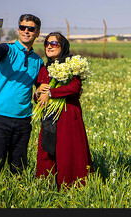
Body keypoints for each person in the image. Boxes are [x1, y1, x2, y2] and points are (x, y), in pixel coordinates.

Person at [0, 14, 44, 175]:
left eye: (31, 29)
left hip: (23, 120)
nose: (26, 31)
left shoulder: (38, 61)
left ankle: (16, 195)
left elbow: (40, 87)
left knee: (19, 166)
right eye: (23, 28)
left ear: (37, 33)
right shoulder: (7, 50)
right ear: (18, 30)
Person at [35, 32, 93, 189]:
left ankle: (71, 185)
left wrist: (52, 93)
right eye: (47, 43)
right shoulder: (43, 68)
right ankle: (47, 185)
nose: (49, 46)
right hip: (48, 116)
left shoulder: (71, 64)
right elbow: (38, 95)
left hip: (68, 115)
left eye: (54, 43)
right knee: (47, 149)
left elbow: (75, 87)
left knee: (68, 150)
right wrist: (38, 92)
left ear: (63, 46)